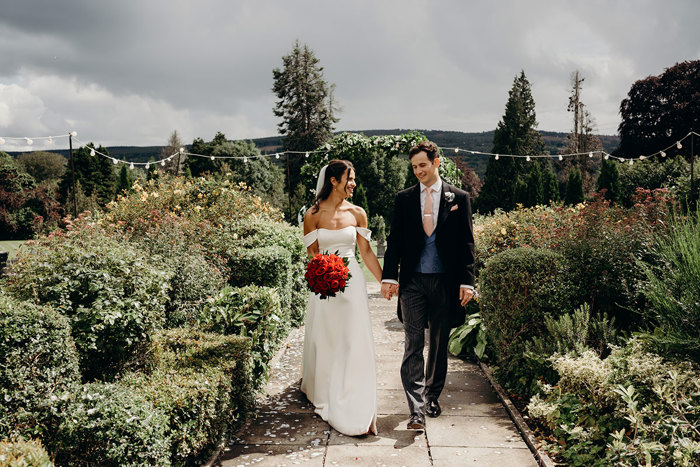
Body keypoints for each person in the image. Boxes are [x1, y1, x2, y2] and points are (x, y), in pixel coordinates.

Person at [381, 141, 476, 430]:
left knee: (438, 343)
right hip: (413, 282)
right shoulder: (405, 198)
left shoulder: (458, 197)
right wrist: (389, 277)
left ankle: (432, 395)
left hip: (445, 283)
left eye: (422, 164)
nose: (418, 171)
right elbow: (395, 240)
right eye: (414, 167)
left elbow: (467, 243)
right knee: (413, 343)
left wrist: (467, 282)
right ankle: (416, 409)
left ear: (436, 162)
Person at [301, 159, 383, 436]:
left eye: (354, 178)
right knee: (326, 337)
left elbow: (367, 253)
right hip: (323, 286)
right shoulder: (312, 214)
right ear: (334, 181)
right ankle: (324, 385)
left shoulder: (358, 213)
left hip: (352, 284)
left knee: (351, 337)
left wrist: (385, 281)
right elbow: (312, 254)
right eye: (349, 178)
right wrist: (321, 274)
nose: (353, 184)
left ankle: (351, 388)